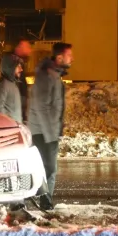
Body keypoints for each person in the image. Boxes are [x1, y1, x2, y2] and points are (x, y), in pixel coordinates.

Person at [28, 42, 73, 211]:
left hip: (47, 130)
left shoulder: (53, 75)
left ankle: (45, 201)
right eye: (69, 55)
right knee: (49, 169)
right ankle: (45, 202)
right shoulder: (46, 76)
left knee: (49, 169)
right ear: (60, 57)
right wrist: (50, 134)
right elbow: (42, 106)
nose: (72, 59)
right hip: (43, 132)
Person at [0, 53, 24, 123]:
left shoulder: (13, 84)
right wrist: (13, 123)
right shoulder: (1, 85)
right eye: (18, 66)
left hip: (16, 130)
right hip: (9, 131)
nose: (21, 69)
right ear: (10, 67)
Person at [13, 38, 32, 122]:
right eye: (27, 46)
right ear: (19, 47)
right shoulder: (14, 63)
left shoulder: (19, 62)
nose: (29, 49)